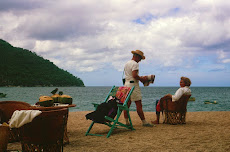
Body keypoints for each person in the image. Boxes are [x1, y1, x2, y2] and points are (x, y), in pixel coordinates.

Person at [123, 50, 153, 127]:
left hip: (126, 84)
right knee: (138, 104)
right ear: (137, 56)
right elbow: (134, 75)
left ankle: (127, 122)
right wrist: (142, 79)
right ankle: (144, 122)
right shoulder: (135, 64)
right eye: (140, 58)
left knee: (127, 104)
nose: (140, 61)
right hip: (133, 85)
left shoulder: (127, 63)